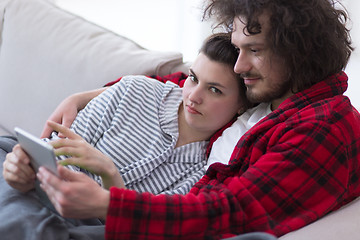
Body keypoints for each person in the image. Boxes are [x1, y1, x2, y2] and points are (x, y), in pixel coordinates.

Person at [33, 0, 360, 239]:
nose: (239, 66)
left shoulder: (323, 127)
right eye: (238, 49)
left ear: (298, 52)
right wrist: (86, 96)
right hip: (147, 219)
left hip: (176, 226)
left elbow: (234, 212)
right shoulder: (269, 97)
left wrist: (109, 204)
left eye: (255, 50)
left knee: (37, 226)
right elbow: (189, 84)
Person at [1, 33, 256, 239]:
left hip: (86, 224)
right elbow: (51, 150)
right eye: (193, 78)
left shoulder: (207, 170)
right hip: (40, 189)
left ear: (241, 106)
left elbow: (141, 228)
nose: (193, 96)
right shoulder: (135, 91)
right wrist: (23, 167)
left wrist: (109, 173)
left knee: (39, 228)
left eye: (214, 90)